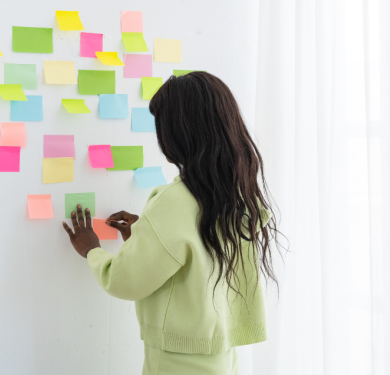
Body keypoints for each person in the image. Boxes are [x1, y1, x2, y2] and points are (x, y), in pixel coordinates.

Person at [63, 72, 282, 375]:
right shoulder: (236, 193)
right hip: (223, 359)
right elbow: (195, 258)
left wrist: (92, 250)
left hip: (177, 364)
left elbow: (124, 280)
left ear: (179, 133)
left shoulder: (174, 203)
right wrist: (144, 235)